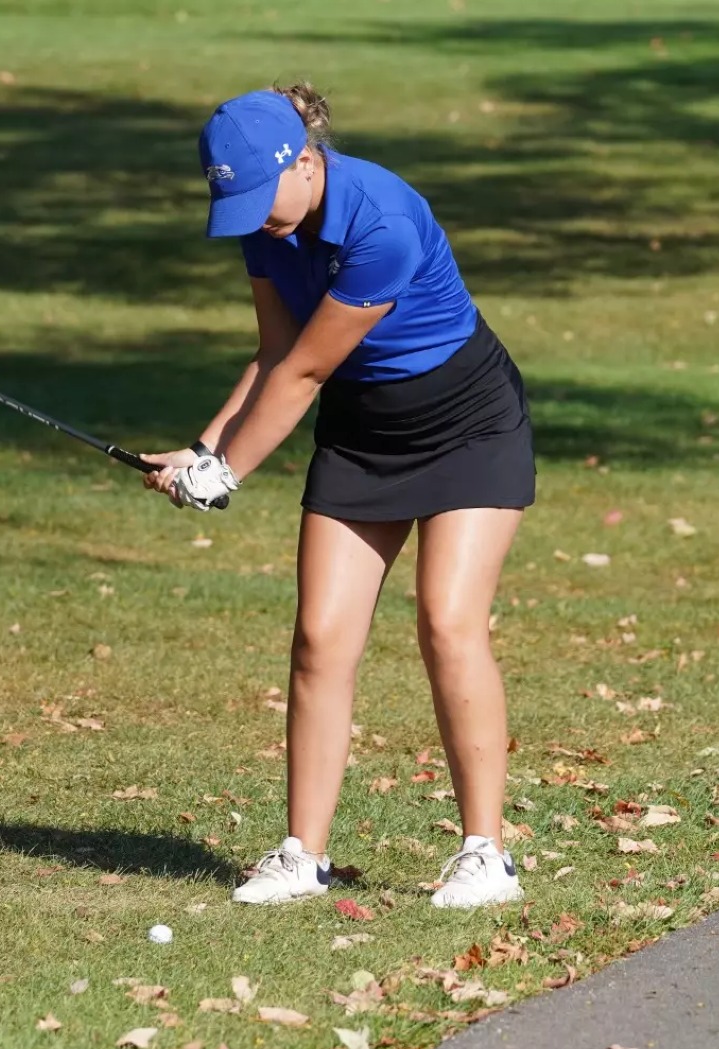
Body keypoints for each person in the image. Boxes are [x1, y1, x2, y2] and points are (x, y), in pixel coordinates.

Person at [139, 84, 535, 909]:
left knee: (447, 621)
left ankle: (485, 852)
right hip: (365, 432)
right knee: (320, 636)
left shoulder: (381, 218)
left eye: (259, 199)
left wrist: (230, 472)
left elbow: (309, 370)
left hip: (469, 423)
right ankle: (301, 854)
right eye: (237, 205)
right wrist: (209, 446)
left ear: (308, 164)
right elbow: (277, 349)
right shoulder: (267, 224)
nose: (254, 222)